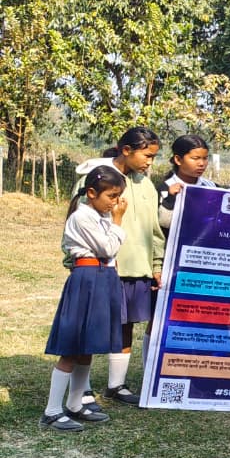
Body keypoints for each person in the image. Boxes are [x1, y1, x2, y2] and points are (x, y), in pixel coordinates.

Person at [73, 127, 165, 408]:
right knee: (91, 328)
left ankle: (117, 385)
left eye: (153, 157)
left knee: (126, 327)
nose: (150, 162)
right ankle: (82, 390)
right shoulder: (96, 179)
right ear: (126, 150)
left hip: (138, 269)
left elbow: (155, 231)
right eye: (147, 156)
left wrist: (156, 265)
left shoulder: (147, 185)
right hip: (103, 268)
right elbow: (77, 223)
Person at [41, 166, 128, 431]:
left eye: (118, 196)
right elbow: (108, 247)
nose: (115, 202)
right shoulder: (82, 217)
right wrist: (118, 221)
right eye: (111, 196)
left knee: (87, 348)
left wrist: (112, 221)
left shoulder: (101, 217)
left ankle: (75, 404)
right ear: (91, 193)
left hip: (102, 278)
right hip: (87, 278)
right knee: (72, 348)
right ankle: (52, 411)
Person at [158, 135, 217, 235]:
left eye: (205, 158)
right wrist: (170, 199)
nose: (201, 163)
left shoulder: (212, 187)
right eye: (195, 158)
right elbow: (162, 224)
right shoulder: (164, 189)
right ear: (178, 160)